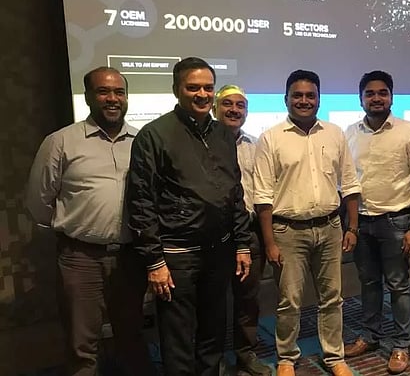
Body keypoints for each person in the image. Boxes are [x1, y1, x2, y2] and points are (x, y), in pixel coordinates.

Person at [126, 57, 252, 375]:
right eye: (193, 87)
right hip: (176, 257)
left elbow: (235, 193)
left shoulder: (223, 134)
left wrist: (242, 244)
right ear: (176, 90)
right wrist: (154, 261)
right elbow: (141, 201)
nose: (202, 94)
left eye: (208, 88)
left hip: (219, 252)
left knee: (213, 333)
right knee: (178, 338)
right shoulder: (154, 135)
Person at [26, 67, 154, 376]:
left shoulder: (143, 141)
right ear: (87, 97)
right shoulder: (61, 141)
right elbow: (38, 201)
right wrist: (77, 229)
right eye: (103, 92)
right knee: (83, 344)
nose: (112, 99)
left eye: (119, 92)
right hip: (80, 258)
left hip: (130, 257)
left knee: (132, 336)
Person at [253, 69, 360, 376]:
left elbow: (350, 184)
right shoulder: (271, 138)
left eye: (310, 95)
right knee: (289, 301)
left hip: (330, 228)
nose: (304, 101)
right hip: (287, 231)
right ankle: (287, 358)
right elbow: (262, 196)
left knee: (332, 299)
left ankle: (334, 356)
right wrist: (269, 242)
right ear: (285, 99)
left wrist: (352, 227)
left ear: (319, 99)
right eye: (297, 95)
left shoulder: (334, 133)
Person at [343, 70, 410, 374]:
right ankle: (370, 336)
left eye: (382, 92)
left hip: (397, 221)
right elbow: (347, 182)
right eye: (370, 93)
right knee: (368, 283)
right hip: (361, 223)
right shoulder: (350, 133)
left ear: (392, 97)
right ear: (361, 99)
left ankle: (401, 343)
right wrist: (351, 225)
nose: (376, 98)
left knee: (398, 285)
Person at [212, 85, 270, 376]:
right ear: (214, 108)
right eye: (227, 104)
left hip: (249, 232)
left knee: (248, 298)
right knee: (212, 299)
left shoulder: (256, 145)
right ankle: (213, 359)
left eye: (240, 105)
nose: (234, 110)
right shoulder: (202, 143)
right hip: (213, 234)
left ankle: (246, 353)